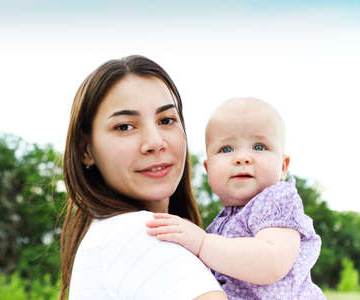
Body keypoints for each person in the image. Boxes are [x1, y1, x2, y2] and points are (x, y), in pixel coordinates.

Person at [59, 55, 227, 300]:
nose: (155, 142)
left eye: (166, 120)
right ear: (87, 150)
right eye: (125, 126)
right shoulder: (140, 235)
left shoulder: (108, 238)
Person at [146, 98, 326, 300]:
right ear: (208, 169)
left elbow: (272, 263)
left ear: (283, 167)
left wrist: (202, 243)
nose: (242, 158)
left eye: (259, 147)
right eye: (226, 149)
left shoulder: (277, 199)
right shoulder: (219, 225)